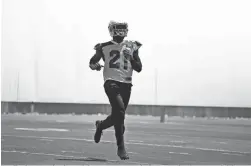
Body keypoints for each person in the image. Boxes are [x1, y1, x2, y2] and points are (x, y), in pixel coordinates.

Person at [89, 21, 142, 160]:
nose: (121, 32)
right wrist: (95, 66)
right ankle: (121, 148)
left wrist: (130, 56)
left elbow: (139, 68)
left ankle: (101, 125)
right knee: (119, 112)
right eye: (118, 29)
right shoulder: (104, 47)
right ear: (112, 30)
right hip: (111, 82)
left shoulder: (132, 46)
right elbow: (92, 62)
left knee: (118, 115)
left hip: (126, 84)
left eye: (123, 29)